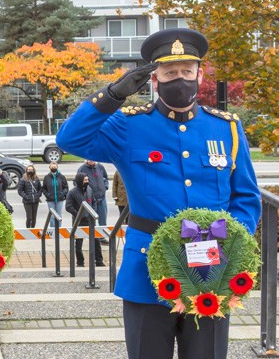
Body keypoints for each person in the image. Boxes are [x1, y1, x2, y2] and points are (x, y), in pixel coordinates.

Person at [56, 28, 261, 359]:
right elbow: (69, 140)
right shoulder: (128, 125)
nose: (179, 79)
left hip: (211, 269)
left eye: (186, 72)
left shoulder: (226, 128)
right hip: (146, 272)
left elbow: (246, 199)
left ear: (199, 74)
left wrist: (231, 248)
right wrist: (111, 96)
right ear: (155, 80)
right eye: (169, 73)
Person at [65, 172, 104, 267]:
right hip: (78, 221)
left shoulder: (89, 190)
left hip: (91, 220)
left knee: (96, 241)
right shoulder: (72, 192)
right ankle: (80, 262)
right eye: (85, 180)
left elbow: (94, 202)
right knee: (78, 244)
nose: (87, 182)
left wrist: (93, 212)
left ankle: (99, 261)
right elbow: (68, 206)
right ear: (79, 181)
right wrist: (78, 214)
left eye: (87, 180)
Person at [77, 159, 109, 227]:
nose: (91, 160)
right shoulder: (82, 169)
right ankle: (93, 236)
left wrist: (105, 187)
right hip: (90, 199)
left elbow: (105, 178)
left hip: (101, 198)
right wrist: (85, 191)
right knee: (91, 220)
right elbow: (77, 182)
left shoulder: (100, 167)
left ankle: (102, 236)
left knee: (103, 220)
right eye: (89, 159)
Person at [41, 161, 68, 227]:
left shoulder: (61, 177)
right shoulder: (46, 177)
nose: (53, 167)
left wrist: (62, 194)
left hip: (60, 199)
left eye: (55, 166)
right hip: (50, 200)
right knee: (52, 216)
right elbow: (43, 188)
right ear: (49, 167)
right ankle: (53, 230)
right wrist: (47, 195)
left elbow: (66, 187)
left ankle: (59, 230)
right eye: (52, 166)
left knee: (59, 215)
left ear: (57, 167)